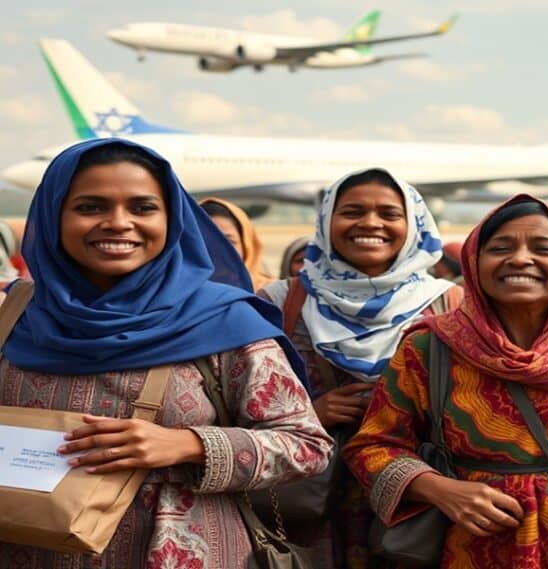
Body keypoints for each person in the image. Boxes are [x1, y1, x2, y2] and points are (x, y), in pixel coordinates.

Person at [0, 139, 332, 567]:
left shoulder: (222, 322)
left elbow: (306, 445)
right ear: (53, 217)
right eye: (90, 207)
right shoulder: (15, 315)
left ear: (172, 218)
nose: (118, 223)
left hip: (175, 552)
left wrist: (189, 444)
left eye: (142, 208)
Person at [343, 195, 548, 568]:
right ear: (474, 261)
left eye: (543, 249)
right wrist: (443, 491)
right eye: (500, 248)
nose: (520, 259)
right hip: (470, 550)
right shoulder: (430, 347)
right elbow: (374, 446)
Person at [258, 167, 462, 568]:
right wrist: (307, 415)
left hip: (414, 501)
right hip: (308, 498)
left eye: (389, 213)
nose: (371, 223)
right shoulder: (281, 300)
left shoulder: (448, 305)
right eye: (352, 211)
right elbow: (237, 402)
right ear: (326, 219)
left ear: (414, 223)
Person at [199, 197, 274, 290]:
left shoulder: (275, 295)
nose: (217, 251)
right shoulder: (180, 294)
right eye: (206, 241)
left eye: (229, 242)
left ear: (246, 245)